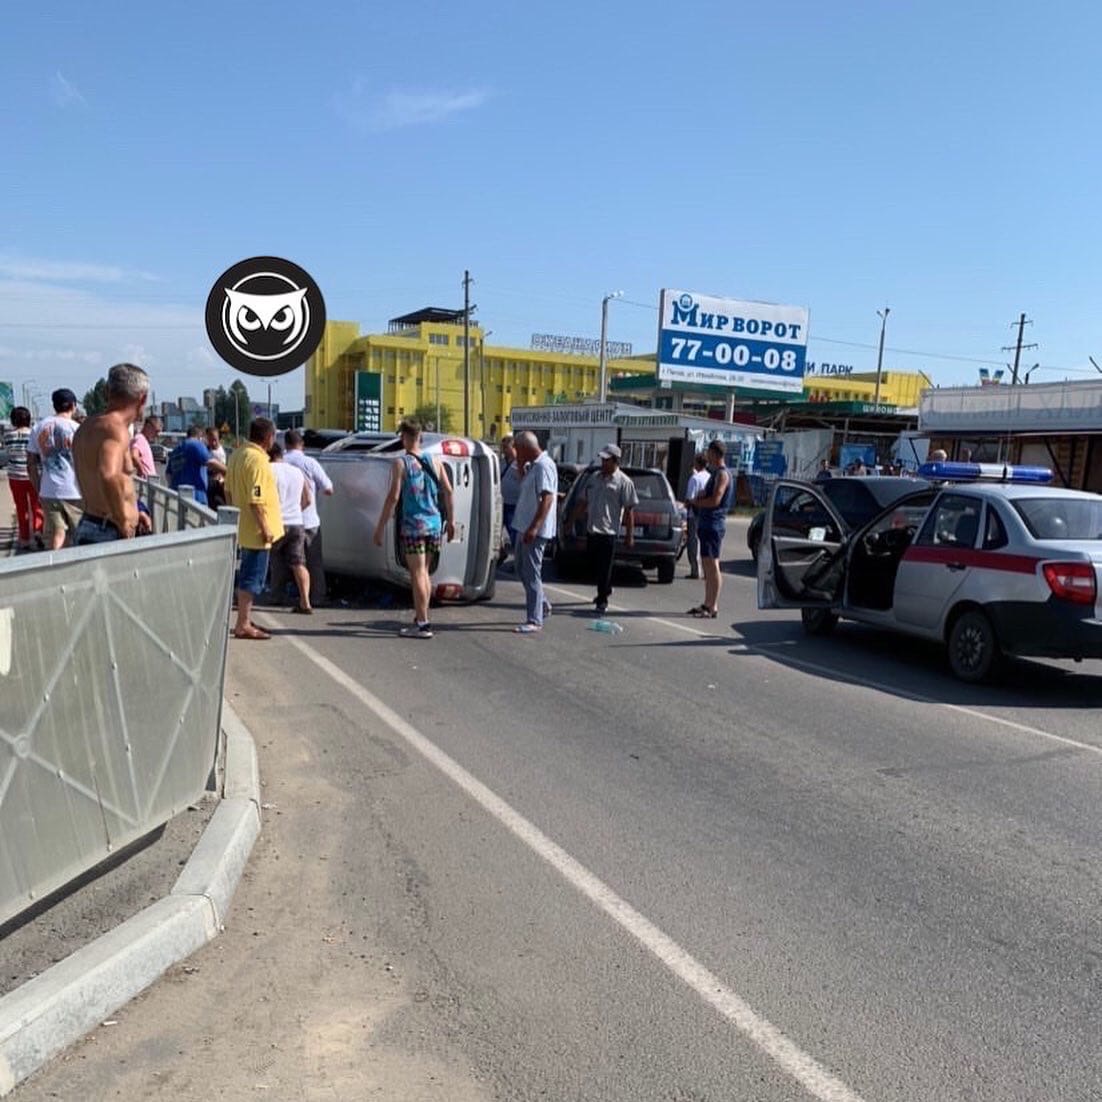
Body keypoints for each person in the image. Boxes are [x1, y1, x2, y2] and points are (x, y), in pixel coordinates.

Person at [373, 418, 455, 639]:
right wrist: (451, 521)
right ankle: (422, 617)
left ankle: (422, 624)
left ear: (404, 437)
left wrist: (380, 527)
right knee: (425, 571)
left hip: (413, 526)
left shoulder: (401, 463)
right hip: (434, 524)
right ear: (420, 436)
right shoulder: (435, 460)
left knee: (417, 573)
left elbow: (393, 498)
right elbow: (448, 490)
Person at [71, 363, 151, 544]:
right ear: (143, 398)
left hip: (90, 521)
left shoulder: (86, 427)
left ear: (107, 392)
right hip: (108, 531)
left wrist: (135, 511)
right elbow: (108, 474)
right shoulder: (116, 430)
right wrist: (123, 520)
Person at [225, 418, 283, 641]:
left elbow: (228, 490)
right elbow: (256, 499)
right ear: (268, 437)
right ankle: (243, 623)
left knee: (247, 575)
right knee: (251, 579)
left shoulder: (237, 455)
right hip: (256, 532)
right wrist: (265, 528)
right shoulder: (258, 461)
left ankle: (245, 620)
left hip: (243, 527)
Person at [571, 443, 637, 616]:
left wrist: (629, 535)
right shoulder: (594, 478)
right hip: (592, 529)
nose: (603, 463)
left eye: (607, 460)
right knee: (593, 565)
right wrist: (570, 522)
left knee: (604, 567)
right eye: (602, 459)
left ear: (615, 461)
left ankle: (602, 600)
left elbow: (629, 510)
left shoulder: (624, 482)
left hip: (609, 532)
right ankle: (606, 588)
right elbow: (583, 502)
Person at [511, 431, 557, 634]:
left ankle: (534, 619)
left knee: (531, 573)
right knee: (520, 569)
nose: (516, 453)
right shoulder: (533, 466)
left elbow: (547, 498)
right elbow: (525, 487)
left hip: (534, 530)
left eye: (517, 449)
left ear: (524, 448)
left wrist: (535, 527)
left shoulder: (544, 466)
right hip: (523, 526)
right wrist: (521, 465)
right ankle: (542, 604)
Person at [26, 388, 83, 550]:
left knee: (57, 533)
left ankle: (55, 559)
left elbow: (30, 463)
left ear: (54, 406)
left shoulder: (38, 427)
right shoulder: (78, 429)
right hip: (75, 491)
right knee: (77, 536)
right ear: (73, 405)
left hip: (49, 490)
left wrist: (38, 488)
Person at [284, 429, 334, 605]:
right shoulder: (310, 462)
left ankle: (281, 594)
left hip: (287, 519)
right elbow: (329, 488)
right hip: (310, 520)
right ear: (302, 444)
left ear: (285, 444)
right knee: (314, 562)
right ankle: (317, 596)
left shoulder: (280, 461)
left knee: (288, 562)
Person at [687, 439, 732, 619]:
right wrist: (701, 495)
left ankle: (713, 606)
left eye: (709, 452)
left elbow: (716, 500)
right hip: (706, 523)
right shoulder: (714, 473)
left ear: (714, 453)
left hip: (714, 524)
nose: (707, 456)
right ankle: (707, 603)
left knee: (713, 566)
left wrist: (696, 502)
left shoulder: (722, 474)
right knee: (707, 565)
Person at [268, 444, 313, 614]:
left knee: (275, 561)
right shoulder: (297, 472)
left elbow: (260, 496)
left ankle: (275, 596)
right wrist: (296, 510)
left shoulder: (267, 470)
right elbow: (308, 499)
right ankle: (305, 601)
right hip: (296, 522)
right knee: (298, 563)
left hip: (276, 522)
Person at [3, 406, 43, 549]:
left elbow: (8, 453)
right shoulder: (34, 434)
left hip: (15, 476)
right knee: (37, 505)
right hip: (33, 474)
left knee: (21, 508)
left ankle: (24, 538)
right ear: (28, 419)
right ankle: (38, 530)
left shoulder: (8, 436)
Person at [166, 425, 226, 505]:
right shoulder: (196, 444)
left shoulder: (176, 450)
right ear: (200, 437)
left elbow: (168, 475)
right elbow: (211, 462)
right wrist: (228, 471)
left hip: (176, 498)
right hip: (195, 499)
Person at [683, 452, 709, 581]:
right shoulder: (710, 477)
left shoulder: (695, 479)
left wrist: (684, 507)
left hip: (694, 514)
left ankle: (695, 570)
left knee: (693, 542)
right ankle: (707, 570)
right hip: (707, 514)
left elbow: (690, 498)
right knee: (705, 542)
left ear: (697, 463)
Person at [499, 434, 521, 551]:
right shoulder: (501, 462)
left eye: (506, 447)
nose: (504, 450)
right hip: (501, 502)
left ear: (513, 447)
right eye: (503, 447)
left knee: (513, 531)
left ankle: (517, 551)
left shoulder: (520, 464)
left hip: (514, 504)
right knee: (497, 529)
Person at [129, 414, 161, 478]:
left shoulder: (144, 440)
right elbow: (134, 455)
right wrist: (142, 471)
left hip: (150, 480)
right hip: (146, 480)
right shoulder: (140, 438)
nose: (157, 435)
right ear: (148, 427)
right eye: (156, 431)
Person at [205, 427, 228, 510]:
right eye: (210, 440)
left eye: (215, 440)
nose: (213, 443)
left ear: (219, 439)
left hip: (218, 483)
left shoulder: (223, 453)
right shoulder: (206, 450)